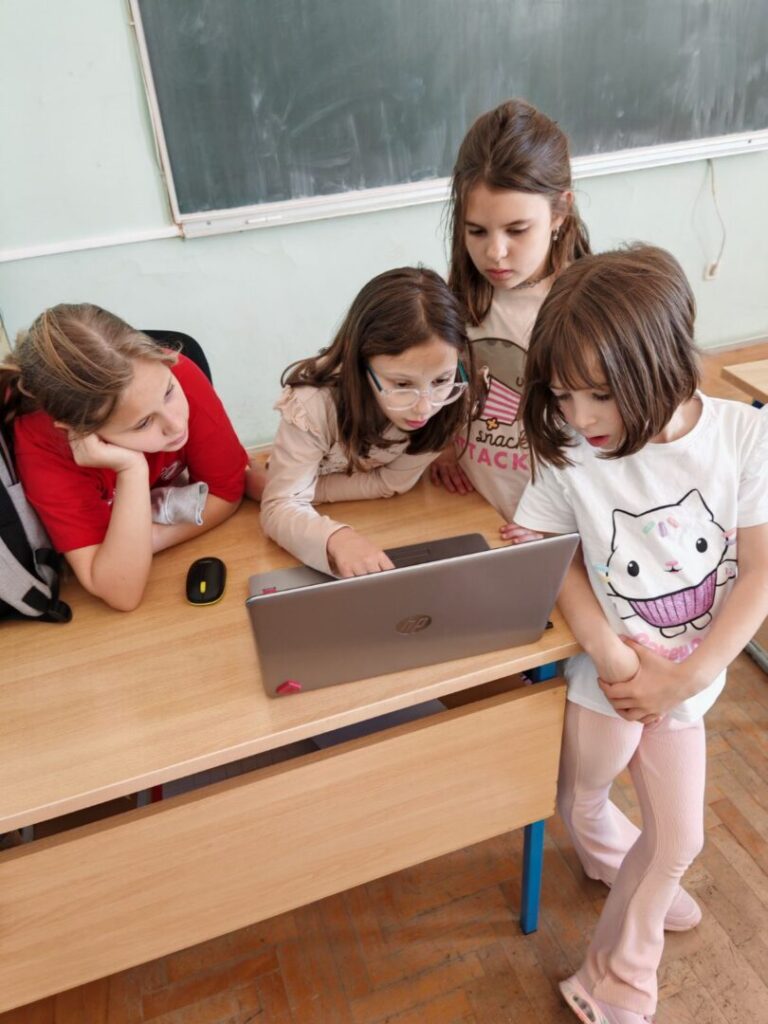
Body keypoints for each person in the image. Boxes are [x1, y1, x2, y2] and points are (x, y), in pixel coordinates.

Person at [513, 245, 768, 1024]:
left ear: (663, 366)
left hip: (687, 682)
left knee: (680, 842)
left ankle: (615, 978)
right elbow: (548, 551)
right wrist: (612, 654)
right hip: (608, 677)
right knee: (587, 789)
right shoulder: (572, 449)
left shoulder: (743, 437)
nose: (580, 416)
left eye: (599, 395)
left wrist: (686, 679)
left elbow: (761, 571)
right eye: (562, 394)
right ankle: (604, 846)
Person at [1, 304, 250, 611]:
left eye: (169, 393)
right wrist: (131, 469)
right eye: (143, 423)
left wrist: (148, 540)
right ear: (79, 431)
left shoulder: (173, 371)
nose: (175, 424)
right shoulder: (45, 447)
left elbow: (226, 493)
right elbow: (120, 591)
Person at [430, 97, 591, 532]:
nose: (494, 253)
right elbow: (441, 380)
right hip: (480, 510)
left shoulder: (589, 304)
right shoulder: (453, 295)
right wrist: (444, 447)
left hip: (562, 522)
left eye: (517, 230)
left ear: (560, 211)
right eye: (476, 231)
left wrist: (554, 524)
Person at [260, 266, 480, 577]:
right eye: (401, 384)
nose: (424, 407)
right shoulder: (312, 404)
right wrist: (337, 538)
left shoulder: (454, 397)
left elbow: (394, 482)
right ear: (360, 362)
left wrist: (286, 488)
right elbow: (278, 509)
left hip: (373, 512)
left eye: (441, 380)